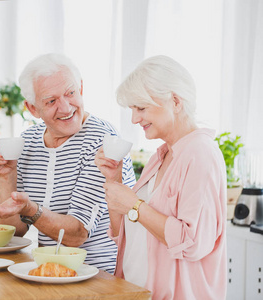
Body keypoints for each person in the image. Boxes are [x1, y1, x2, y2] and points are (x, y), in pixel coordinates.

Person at [0, 53, 136, 274]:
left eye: (70, 93)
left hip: (102, 280)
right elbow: (15, 231)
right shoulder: (29, 141)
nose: (65, 108)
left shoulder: (102, 140)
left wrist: (31, 210)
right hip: (51, 274)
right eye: (51, 101)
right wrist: (7, 176)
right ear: (33, 108)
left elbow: (77, 234)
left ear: (80, 88)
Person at [95, 55, 227, 299]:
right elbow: (127, 233)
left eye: (141, 108)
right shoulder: (161, 156)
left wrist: (134, 205)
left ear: (175, 101)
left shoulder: (200, 153)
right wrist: (114, 182)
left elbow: (194, 242)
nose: (134, 119)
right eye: (133, 109)